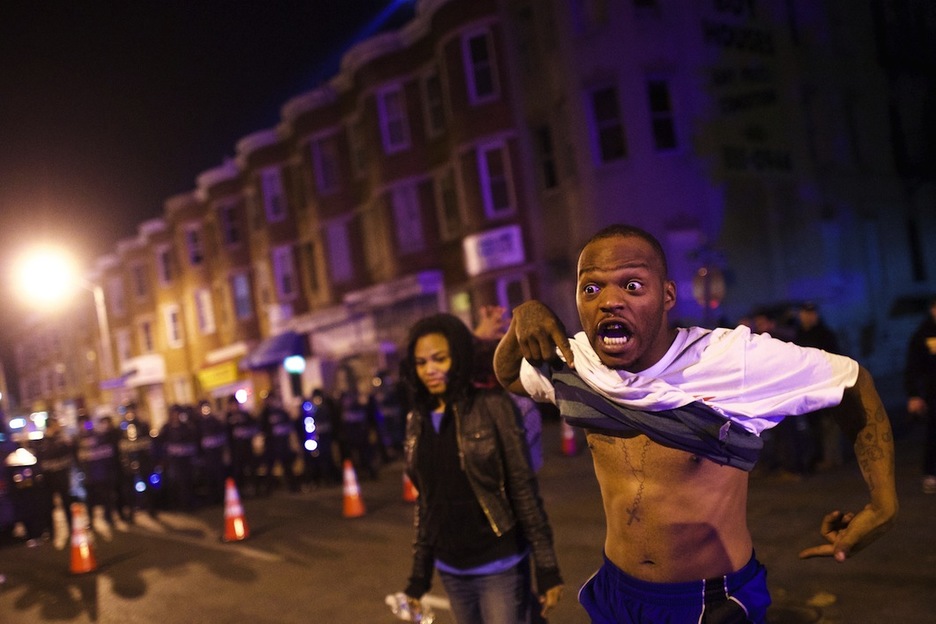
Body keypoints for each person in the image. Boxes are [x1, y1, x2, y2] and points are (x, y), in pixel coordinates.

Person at [493, 224, 897, 623]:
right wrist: (522, 319)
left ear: (668, 295)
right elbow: (510, 375)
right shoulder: (577, 362)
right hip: (618, 592)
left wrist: (883, 505)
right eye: (591, 288)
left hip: (710, 600)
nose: (609, 301)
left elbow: (852, 382)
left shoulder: (730, 360)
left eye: (632, 286)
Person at [398, 313, 563, 623]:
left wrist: (546, 567)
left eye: (440, 359)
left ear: (457, 358)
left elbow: (523, 489)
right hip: (452, 570)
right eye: (421, 363)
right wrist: (418, 578)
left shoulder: (492, 407)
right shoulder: (416, 421)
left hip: (498, 564)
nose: (430, 370)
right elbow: (426, 502)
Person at [794, 302, 845, 472]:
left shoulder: (825, 334)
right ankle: (821, 455)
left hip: (824, 384)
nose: (808, 316)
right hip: (807, 386)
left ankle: (831, 457)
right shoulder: (799, 334)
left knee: (828, 423)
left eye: (811, 313)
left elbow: (834, 358)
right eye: (805, 313)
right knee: (814, 424)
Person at [904, 296, 936, 494]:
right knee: (933, 434)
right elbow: (912, 367)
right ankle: (931, 474)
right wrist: (914, 395)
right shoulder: (923, 334)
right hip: (933, 394)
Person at [32, 416, 75, 548]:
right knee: (48, 506)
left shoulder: (61, 439)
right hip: (48, 479)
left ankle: (72, 529)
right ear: (51, 425)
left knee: (67, 503)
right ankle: (50, 532)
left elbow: (69, 454)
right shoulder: (42, 442)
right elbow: (40, 460)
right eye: (56, 424)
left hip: (62, 476)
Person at [258, 392, 299, 494]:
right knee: (270, 468)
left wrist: (282, 431)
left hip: (283, 444)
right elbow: (261, 428)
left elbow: (290, 426)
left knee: (287, 466)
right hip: (271, 445)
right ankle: (268, 489)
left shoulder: (281, 412)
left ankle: (293, 487)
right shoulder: (265, 413)